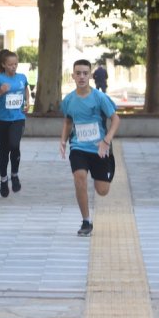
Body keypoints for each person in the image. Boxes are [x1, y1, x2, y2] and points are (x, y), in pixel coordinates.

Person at [59, 59, 120, 236]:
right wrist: (63, 140)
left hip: (100, 148)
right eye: (78, 73)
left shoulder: (100, 98)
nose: (81, 76)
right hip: (78, 147)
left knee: (102, 191)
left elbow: (116, 119)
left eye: (85, 73)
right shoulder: (69, 100)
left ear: (90, 75)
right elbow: (68, 121)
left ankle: (109, 166)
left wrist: (107, 140)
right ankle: (86, 221)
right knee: (80, 178)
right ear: (73, 76)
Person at [0, 49, 30, 197]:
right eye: (10, 64)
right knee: (4, 151)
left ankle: (14, 174)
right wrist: (0, 92)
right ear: (4, 64)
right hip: (2, 120)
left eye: (15, 64)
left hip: (18, 119)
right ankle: (4, 180)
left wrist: (27, 101)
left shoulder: (22, 77)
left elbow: (25, 88)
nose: (13, 67)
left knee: (14, 145)